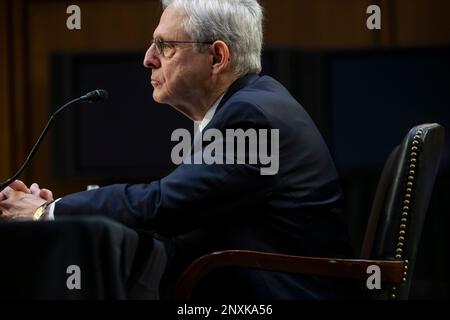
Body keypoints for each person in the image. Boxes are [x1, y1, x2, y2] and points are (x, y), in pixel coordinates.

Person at [0, 0, 355, 299]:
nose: (148, 58)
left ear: (217, 57)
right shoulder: (253, 103)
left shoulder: (252, 116)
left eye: (165, 46)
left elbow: (165, 205)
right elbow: (179, 212)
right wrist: (56, 210)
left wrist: (46, 212)